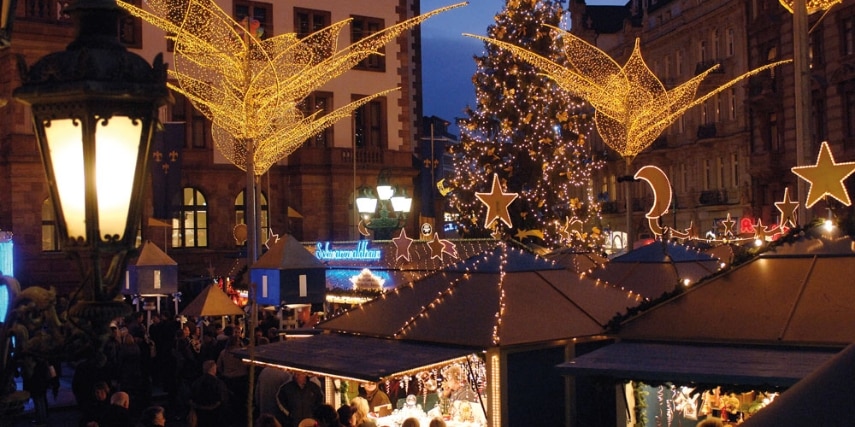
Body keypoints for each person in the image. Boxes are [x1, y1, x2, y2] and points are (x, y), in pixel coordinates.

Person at [190, 359, 231, 427]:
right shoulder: (218, 383)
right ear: (213, 369)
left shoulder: (196, 382)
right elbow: (223, 399)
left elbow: (191, 398)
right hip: (216, 415)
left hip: (200, 414)